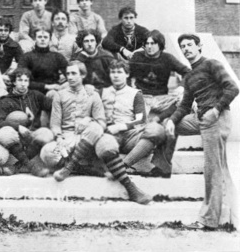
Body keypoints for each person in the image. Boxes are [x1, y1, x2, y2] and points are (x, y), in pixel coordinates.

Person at [41, 61, 152, 205]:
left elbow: (101, 122)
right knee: (47, 153)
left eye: (74, 73)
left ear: (83, 75)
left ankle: (70, 167)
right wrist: (59, 137)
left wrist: (88, 120)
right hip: (67, 138)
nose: (70, 77)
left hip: (89, 137)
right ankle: (84, 168)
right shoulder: (60, 95)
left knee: (97, 130)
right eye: (68, 74)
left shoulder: (93, 94)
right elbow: (55, 124)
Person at [164, 34, 239, 230]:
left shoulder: (211, 64)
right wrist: (172, 121)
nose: (186, 49)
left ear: (199, 47)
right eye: (183, 46)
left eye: (190, 45)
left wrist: (216, 110)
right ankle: (162, 164)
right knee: (169, 125)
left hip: (216, 118)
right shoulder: (189, 75)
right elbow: (185, 105)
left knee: (211, 170)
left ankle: (208, 221)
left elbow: (232, 88)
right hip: (201, 119)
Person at [129, 30, 191, 178]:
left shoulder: (167, 58)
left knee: (177, 108)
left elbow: (188, 72)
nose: (149, 47)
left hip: (161, 98)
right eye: (147, 44)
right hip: (141, 97)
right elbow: (125, 73)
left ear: (160, 45)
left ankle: (162, 166)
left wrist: (181, 86)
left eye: (153, 43)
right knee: (140, 124)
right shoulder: (137, 57)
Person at [101, 60, 166, 176]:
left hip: (129, 136)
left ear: (127, 74)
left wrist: (121, 126)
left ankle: (124, 165)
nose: (116, 75)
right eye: (113, 72)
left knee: (157, 131)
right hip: (108, 136)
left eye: (119, 72)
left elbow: (141, 120)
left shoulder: (135, 93)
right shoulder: (103, 92)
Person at [0, 68, 54, 176]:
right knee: (4, 133)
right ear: (13, 82)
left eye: (26, 81)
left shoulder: (36, 95)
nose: (23, 84)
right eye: (20, 80)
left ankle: (16, 166)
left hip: (32, 135)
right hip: (15, 138)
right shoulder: (5, 100)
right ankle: (31, 166)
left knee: (47, 134)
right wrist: (18, 127)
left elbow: (55, 106)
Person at [18, 28, 68, 95]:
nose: (42, 39)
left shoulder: (57, 57)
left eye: (45, 37)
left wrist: (62, 86)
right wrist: (46, 86)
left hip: (54, 92)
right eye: (39, 37)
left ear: (50, 40)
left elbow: (70, 74)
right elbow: (21, 79)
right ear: (34, 39)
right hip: (32, 92)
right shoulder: (26, 57)